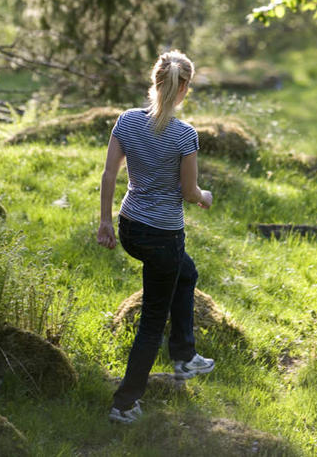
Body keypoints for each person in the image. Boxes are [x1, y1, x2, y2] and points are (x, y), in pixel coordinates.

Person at [97, 50, 214, 424]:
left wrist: (105, 223)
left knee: (188, 273)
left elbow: (109, 175)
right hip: (164, 236)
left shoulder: (128, 122)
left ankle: (184, 355)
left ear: (155, 82)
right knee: (151, 322)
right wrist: (205, 197)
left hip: (131, 228)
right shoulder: (184, 135)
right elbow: (189, 192)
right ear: (184, 90)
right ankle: (125, 404)